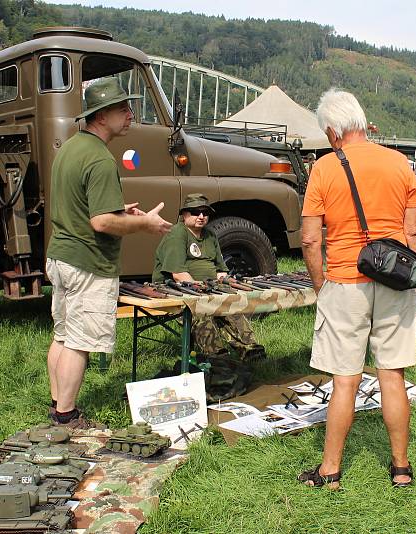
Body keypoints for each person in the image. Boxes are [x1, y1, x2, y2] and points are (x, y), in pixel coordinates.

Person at [299, 89, 416, 489]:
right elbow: (414, 232)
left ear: (335, 130)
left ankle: (331, 471)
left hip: (344, 279)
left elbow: (309, 239)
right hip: (394, 281)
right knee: (392, 376)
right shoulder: (399, 163)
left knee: (345, 380)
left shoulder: (323, 168)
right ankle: (401, 469)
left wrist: (321, 283)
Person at [45, 78, 172, 428]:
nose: (130, 115)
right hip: (87, 261)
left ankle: (57, 404)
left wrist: (120, 210)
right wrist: (144, 223)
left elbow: (85, 206)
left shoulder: (71, 148)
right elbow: (101, 222)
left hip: (62, 255)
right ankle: (67, 416)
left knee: (62, 334)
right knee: (79, 342)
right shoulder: (100, 159)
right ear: (101, 116)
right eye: (122, 109)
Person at [152, 193, 262, 366]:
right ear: (184, 214)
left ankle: (250, 350)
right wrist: (203, 292)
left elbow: (220, 270)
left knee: (232, 307)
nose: (201, 216)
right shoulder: (177, 233)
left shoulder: (210, 235)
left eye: (205, 212)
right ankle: (217, 358)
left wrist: (226, 287)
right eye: (195, 212)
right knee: (202, 313)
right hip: (179, 291)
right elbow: (178, 274)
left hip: (209, 288)